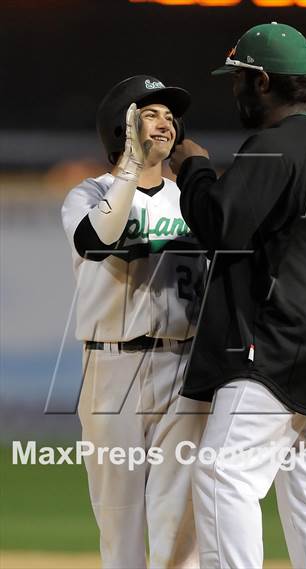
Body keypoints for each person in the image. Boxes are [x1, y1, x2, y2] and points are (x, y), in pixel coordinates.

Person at [170, 23, 306, 569]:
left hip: (281, 345)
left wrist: (192, 167)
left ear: (262, 81)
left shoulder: (273, 145)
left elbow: (219, 224)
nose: (234, 90)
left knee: (222, 473)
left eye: (239, 79)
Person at [62, 75, 208, 569]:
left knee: (181, 524)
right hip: (112, 369)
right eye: (150, 113)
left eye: (170, 115)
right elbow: (98, 240)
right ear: (120, 126)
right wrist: (128, 166)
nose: (165, 121)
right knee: (120, 524)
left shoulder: (191, 195)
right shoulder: (89, 193)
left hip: (182, 369)